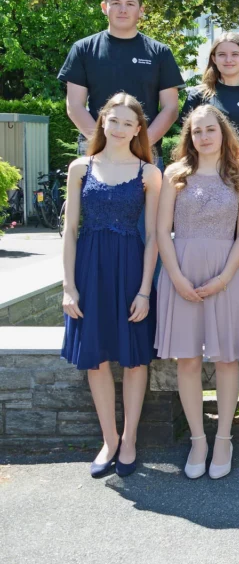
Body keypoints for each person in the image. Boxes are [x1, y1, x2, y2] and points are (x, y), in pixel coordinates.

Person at [60, 93, 162, 478]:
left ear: (139, 130)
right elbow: (70, 231)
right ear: (102, 122)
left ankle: (131, 439)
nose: (118, 128)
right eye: (112, 120)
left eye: (127, 123)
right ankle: (109, 439)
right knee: (97, 359)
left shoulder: (149, 174)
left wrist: (144, 291)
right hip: (89, 269)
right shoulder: (80, 168)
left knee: (135, 359)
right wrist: (69, 286)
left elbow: (153, 236)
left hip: (131, 270)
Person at [154, 105, 239, 480]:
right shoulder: (175, 175)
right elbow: (163, 230)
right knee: (188, 361)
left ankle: (224, 438)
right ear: (189, 137)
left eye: (211, 129)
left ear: (223, 133)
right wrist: (176, 277)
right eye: (197, 131)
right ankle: (198, 439)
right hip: (181, 273)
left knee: (226, 360)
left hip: (225, 273)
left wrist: (226, 277)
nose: (204, 137)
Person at [58, 0, 184, 160]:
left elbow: (171, 108)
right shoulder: (83, 49)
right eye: (116, 3)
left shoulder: (160, 53)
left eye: (130, 4)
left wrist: (142, 143)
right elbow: (74, 106)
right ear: (104, 7)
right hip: (95, 150)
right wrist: (102, 143)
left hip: (146, 152)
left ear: (141, 10)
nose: (123, 10)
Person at [180, 32, 239, 167]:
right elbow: (187, 142)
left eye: (235, 54)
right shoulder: (198, 95)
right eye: (222, 55)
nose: (228, 59)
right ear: (214, 59)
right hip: (206, 176)